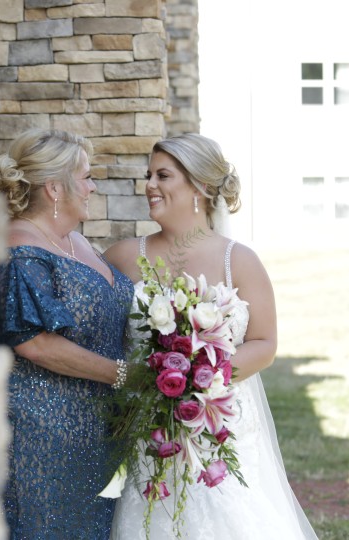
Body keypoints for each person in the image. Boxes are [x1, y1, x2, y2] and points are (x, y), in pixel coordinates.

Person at [104, 133, 318, 539]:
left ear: (200, 187)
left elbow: (265, 343)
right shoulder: (123, 257)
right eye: (148, 175)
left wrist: (199, 378)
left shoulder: (238, 260)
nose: (149, 185)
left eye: (163, 175)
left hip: (223, 426)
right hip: (153, 431)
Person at [0, 129, 135, 538]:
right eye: (86, 177)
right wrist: (124, 374)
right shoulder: (21, 250)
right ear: (55, 188)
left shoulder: (73, 241)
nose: (92, 187)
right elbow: (34, 343)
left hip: (90, 431)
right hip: (41, 435)